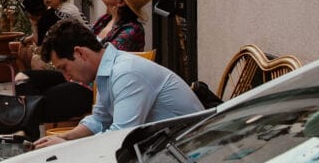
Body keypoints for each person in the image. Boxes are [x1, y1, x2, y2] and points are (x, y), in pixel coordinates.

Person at [31, 19, 203, 149]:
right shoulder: (108, 69)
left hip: (190, 149)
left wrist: (67, 147)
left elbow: (120, 137)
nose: (67, 77)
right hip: (166, 147)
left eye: (65, 68)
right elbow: (99, 119)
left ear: (80, 53)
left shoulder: (126, 72)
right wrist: (66, 138)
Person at [19, 0, 154, 123]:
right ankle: (26, 131)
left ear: (120, 1)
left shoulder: (132, 30)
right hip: (77, 76)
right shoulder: (104, 20)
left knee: (40, 102)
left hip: (95, 88)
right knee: (24, 78)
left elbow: (104, 62)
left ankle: (25, 132)